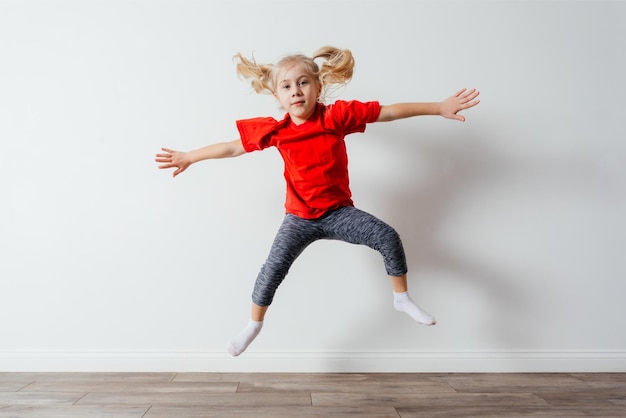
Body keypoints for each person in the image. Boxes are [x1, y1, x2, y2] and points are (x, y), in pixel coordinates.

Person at [155, 46, 480, 356]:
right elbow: (231, 147)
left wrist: (438, 108)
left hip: (339, 213)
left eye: (303, 82)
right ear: (277, 96)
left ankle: (402, 297)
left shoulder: (336, 117)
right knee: (273, 269)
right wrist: (189, 156)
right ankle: (253, 325)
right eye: (287, 86)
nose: (296, 90)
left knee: (387, 236)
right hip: (299, 218)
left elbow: (389, 112)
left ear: (318, 86)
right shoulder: (277, 130)